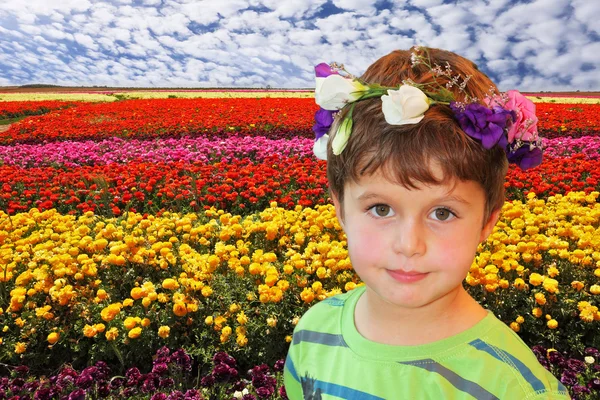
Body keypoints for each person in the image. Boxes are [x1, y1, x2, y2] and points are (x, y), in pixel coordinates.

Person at [283, 46, 570, 399]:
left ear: (486, 222)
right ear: (340, 209)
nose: (409, 244)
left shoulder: (514, 388)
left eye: (442, 213)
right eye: (381, 209)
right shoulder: (312, 334)